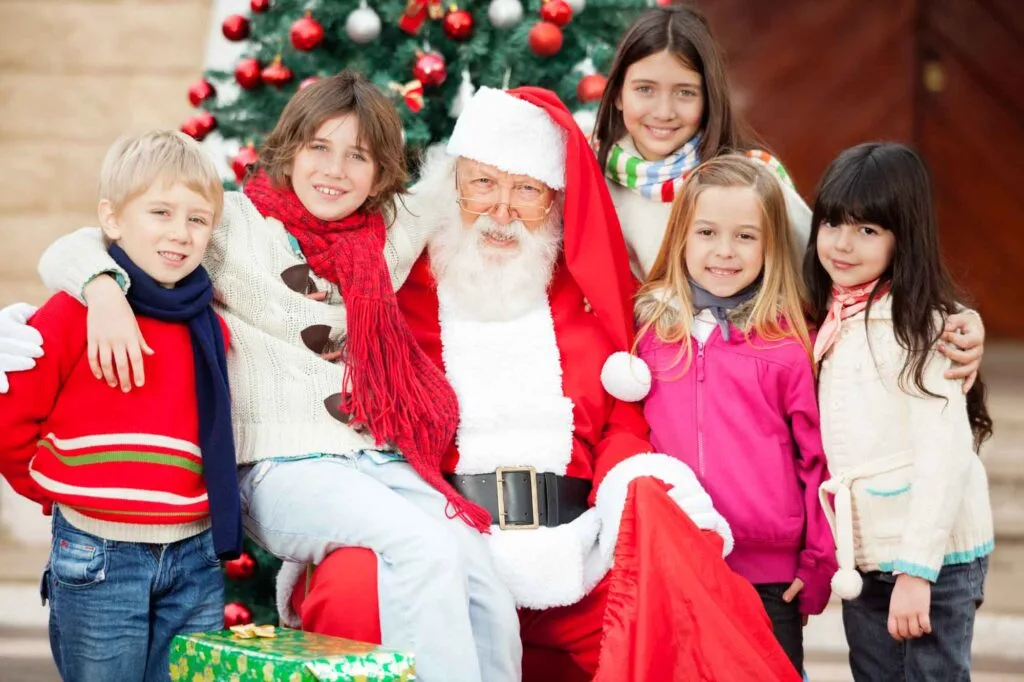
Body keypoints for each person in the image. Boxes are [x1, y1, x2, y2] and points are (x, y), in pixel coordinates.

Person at [4, 72, 520, 682]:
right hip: (280, 464)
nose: (334, 170)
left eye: (357, 156)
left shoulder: (385, 239)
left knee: (478, 565)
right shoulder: (233, 225)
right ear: (290, 149)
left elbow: (457, 180)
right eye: (318, 148)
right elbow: (95, 239)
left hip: (371, 459)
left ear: (380, 174)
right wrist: (102, 289)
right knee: (422, 547)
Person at [285, 86, 802, 682]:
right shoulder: (396, 286)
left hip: (571, 552)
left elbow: (628, 420)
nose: (501, 212)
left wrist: (631, 486)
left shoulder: (588, 297)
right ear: (452, 186)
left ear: (554, 202)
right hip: (442, 539)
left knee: (680, 614)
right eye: (483, 184)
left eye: (526, 191)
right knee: (353, 582)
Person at [591, 4, 986, 394]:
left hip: (753, 390)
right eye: (645, 89)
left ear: (709, 98)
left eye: (685, 92)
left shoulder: (750, 180)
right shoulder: (594, 181)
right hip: (648, 384)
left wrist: (953, 317)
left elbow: (837, 264)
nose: (664, 111)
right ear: (619, 95)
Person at [0, 130, 240, 682]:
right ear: (112, 219)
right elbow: (12, 415)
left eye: (198, 219)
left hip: (194, 553)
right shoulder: (74, 311)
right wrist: (57, 488)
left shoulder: (211, 324)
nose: (180, 233)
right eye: (161, 212)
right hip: (98, 552)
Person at [635, 154, 836, 674]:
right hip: (676, 564)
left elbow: (818, 462)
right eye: (707, 232)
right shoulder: (651, 336)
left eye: (746, 236)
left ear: (771, 246)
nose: (724, 251)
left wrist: (817, 562)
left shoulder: (788, 346)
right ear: (680, 237)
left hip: (769, 578)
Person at [809, 142, 994, 682]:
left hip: (933, 557)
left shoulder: (923, 329)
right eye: (833, 224)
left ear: (903, 237)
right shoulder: (830, 313)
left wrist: (918, 570)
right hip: (865, 554)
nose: (843, 245)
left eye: (868, 231)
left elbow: (946, 455)